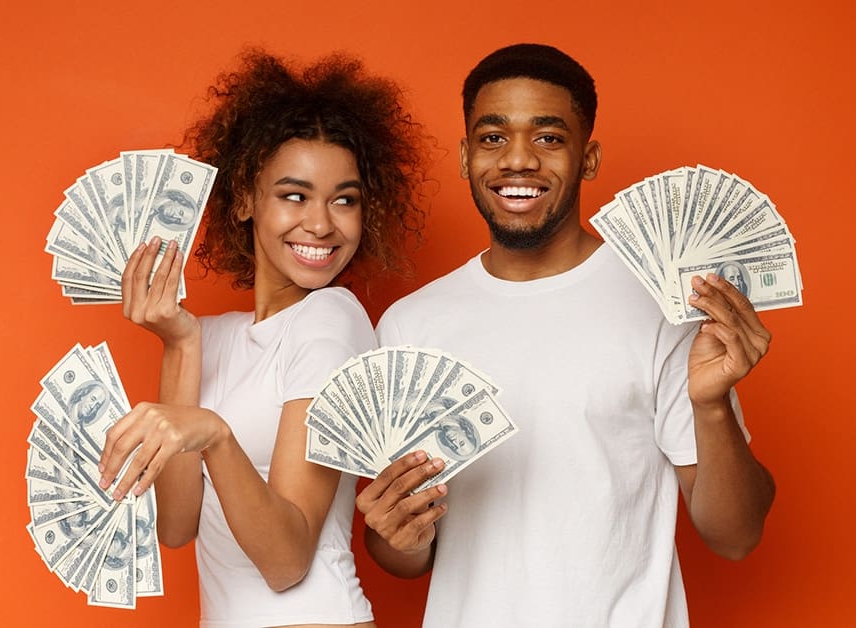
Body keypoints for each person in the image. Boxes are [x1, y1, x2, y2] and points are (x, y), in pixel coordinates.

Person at [356, 43, 776, 627]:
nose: (518, 160)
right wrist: (395, 532)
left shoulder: (663, 307)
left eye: (549, 138)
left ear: (590, 158)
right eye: (493, 137)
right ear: (464, 156)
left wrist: (710, 406)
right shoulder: (410, 323)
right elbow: (404, 560)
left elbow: (735, 536)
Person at [96, 49, 428, 628]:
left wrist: (216, 436)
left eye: (344, 200)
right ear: (246, 199)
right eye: (294, 196)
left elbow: (287, 560)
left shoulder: (332, 321)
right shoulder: (213, 337)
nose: (322, 224)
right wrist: (179, 344)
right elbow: (177, 525)